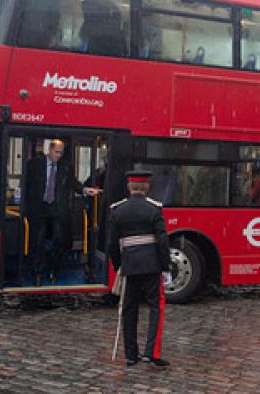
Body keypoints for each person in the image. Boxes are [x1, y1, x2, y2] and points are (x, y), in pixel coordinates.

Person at [108, 170, 171, 368]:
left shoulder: (118, 210)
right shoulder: (154, 209)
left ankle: (130, 355)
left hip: (130, 265)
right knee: (156, 307)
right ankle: (151, 352)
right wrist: (165, 266)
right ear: (147, 188)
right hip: (152, 266)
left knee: (129, 310)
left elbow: (112, 245)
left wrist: (120, 266)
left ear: (129, 187)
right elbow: (162, 241)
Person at [24, 139, 100, 286]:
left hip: (58, 207)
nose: (59, 155)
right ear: (49, 150)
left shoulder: (66, 167)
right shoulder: (34, 164)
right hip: (39, 207)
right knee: (37, 241)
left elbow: (73, 182)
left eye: (61, 153)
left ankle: (54, 270)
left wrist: (84, 190)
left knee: (59, 240)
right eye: (56, 152)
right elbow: (27, 184)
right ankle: (37, 272)